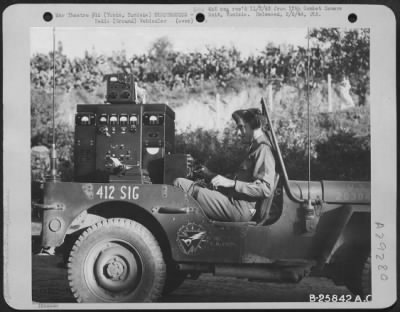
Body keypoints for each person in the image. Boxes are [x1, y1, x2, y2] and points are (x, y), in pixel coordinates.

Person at [174, 108, 276, 222]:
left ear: (253, 126)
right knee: (190, 184)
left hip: (239, 208)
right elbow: (242, 180)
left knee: (179, 184)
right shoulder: (255, 149)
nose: (239, 132)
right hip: (235, 202)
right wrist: (209, 174)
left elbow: (266, 189)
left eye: (241, 127)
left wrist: (231, 183)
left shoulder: (263, 150)